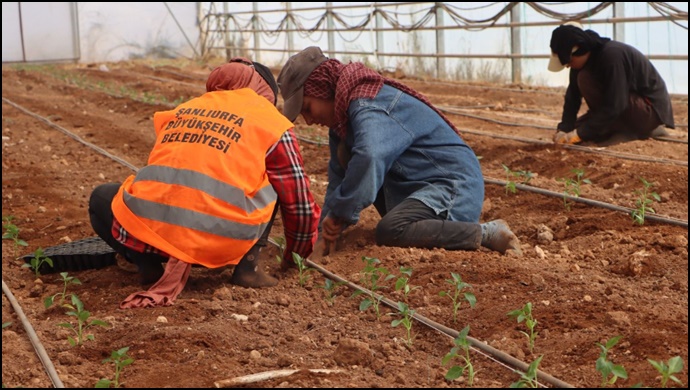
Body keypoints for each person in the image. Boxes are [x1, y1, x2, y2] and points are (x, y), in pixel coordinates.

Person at [88, 57, 321, 308]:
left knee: (102, 197)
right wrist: (294, 257)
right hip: (221, 246)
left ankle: (146, 264)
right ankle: (247, 269)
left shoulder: (186, 109)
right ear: (265, 92)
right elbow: (299, 205)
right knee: (273, 179)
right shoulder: (271, 122)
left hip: (154, 239)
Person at [277, 46, 522, 258]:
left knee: (391, 229)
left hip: (452, 186)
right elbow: (339, 179)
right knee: (347, 156)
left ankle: (487, 232)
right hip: (418, 188)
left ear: (322, 89)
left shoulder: (368, 104)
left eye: (307, 108)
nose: (308, 120)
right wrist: (324, 232)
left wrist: (339, 215)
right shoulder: (341, 122)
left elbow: (370, 156)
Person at [547, 22, 675, 146]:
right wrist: (565, 128)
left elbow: (616, 104)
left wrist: (581, 133)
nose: (568, 66)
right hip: (624, 107)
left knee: (585, 81)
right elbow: (572, 97)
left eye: (568, 61)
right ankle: (621, 129)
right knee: (578, 129)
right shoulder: (580, 64)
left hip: (649, 110)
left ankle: (631, 131)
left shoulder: (612, 56)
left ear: (578, 51)